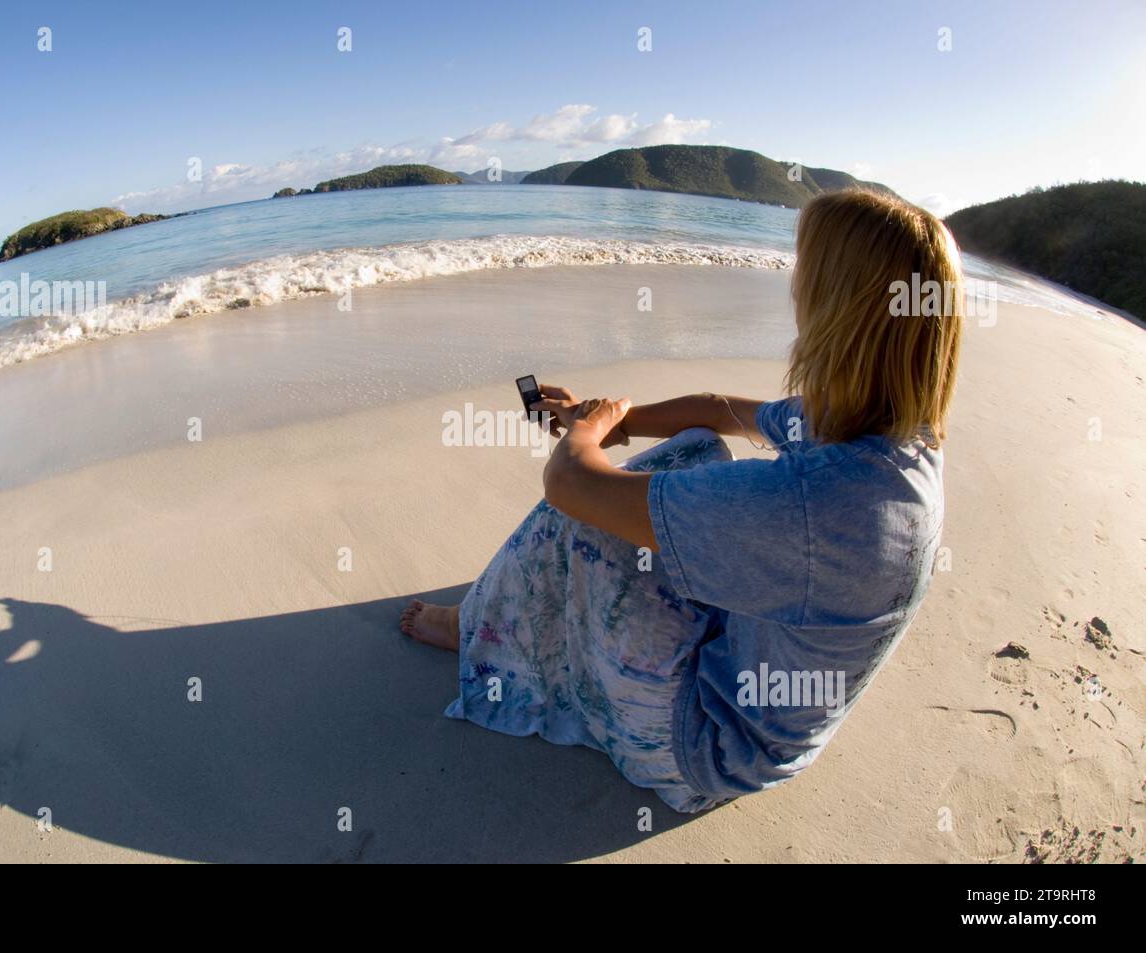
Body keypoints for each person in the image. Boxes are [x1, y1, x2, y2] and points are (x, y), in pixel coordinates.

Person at [400, 189, 964, 812]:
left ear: (838, 309)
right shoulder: (889, 437)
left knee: (580, 527)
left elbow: (570, 485)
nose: (795, 289)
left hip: (709, 746)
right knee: (695, 447)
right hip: (763, 691)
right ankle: (505, 611)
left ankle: (478, 632)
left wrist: (586, 436)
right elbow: (716, 411)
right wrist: (613, 422)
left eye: (805, 273)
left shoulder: (812, 506)